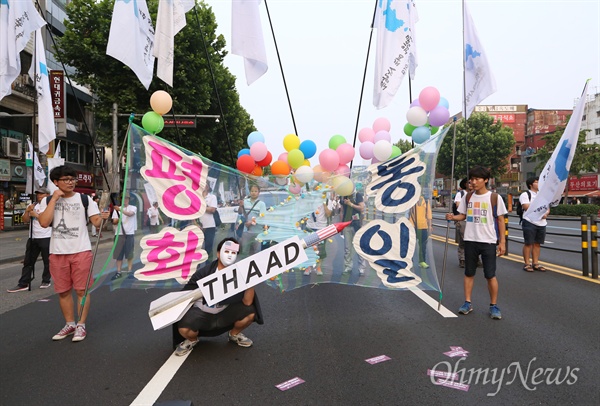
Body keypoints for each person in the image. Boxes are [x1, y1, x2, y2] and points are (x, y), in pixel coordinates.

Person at [37, 165, 110, 342]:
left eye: (72, 179)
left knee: (81, 291)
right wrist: (53, 199)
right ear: (56, 182)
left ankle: (81, 325)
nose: (71, 182)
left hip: (81, 250)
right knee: (62, 291)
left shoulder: (84, 199)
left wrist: (104, 218)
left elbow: (96, 223)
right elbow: (44, 223)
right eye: (66, 179)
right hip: (57, 252)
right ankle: (69, 323)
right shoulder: (46, 201)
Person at [175, 238, 263, 356]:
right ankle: (192, 340)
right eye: (226, 251)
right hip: (202, 313)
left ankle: (234, 334)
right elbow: (185, 294)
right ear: (218, 253)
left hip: (225, 312)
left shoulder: (240, 273)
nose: (230, 256)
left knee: (250, 313)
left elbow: (247, 302)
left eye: (234, 253)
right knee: (184, 329)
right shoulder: (203, 273)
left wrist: (251, 281)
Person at [445, 166, 507, 320]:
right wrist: (453, 217)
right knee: (468, 273)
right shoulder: (468, 197)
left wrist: (502, 242)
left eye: (477, 179)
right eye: (472, 179)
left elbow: (500, 220)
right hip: (470, 240)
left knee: (490, 275)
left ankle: (494, 305)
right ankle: (467, 302)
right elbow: (463, 215)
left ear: (486, 180)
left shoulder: (494, 198)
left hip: (488, 241)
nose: (473, 181)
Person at [7, 188, 52, 292]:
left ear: (48, 195)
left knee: (47, 261)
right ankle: (24, 282)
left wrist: (36, 215)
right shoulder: (33, 205)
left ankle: (46, 280)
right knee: (28, 261)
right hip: (33, 237)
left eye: (42, 194)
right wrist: (27, 211)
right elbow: (25, 220)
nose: (39, 196)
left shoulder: (50, 206)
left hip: (46, 236)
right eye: (38, 194)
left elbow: (49, 220)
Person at [303, 193, 339, 276]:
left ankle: (318, 267)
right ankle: (308, 267)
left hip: (321, 227)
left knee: (321, 249)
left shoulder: (327, 200)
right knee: (308, 248)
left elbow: (328, 214)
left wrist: (324, 204)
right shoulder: (310, 199)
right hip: (310, 226)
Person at [520, 176, 549, 272]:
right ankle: (527, 263)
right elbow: (526, 206)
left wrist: (546, 214)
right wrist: (540, 211)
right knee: (528, 243)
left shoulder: (543, 195)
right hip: (529, 221)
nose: (539, 184)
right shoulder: (526, 194)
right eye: (537, 182)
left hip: (541, 222)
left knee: (537, 244)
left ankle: (535, 263)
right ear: (531, 184)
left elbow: (547, 207)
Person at [342, 183, 367, 276]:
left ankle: (362, 268)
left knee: (359, 247)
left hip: (357, 225)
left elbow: (361, 208)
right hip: (346, 225)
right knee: (347, 248)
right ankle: (348, 267)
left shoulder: (357, 195)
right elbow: (342, 210)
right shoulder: (343, 196)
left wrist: (350, 204)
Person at [111, 195, 137, 280]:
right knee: (118, 255)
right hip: (119, 234)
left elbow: (130, 214)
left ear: (129, 200)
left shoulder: (133, 208)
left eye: (127, 198)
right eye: (123, 198)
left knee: (129, 254)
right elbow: (114, 221)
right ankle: (118, 271)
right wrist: (116, 220)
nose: (125, 200)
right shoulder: (117, 209)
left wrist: (120, 210)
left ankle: (130, 271)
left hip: (129, 234)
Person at [237, 184, 266, 258]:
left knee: (257, 252)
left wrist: (251, 222)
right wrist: (240, 206)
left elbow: (262, 217)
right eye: (252, 191)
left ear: (258, 193)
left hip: (257, 232)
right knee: (244, 252)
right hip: (246, 231)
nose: (253, 193)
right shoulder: (245, 202)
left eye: (255, 191)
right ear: (249, 192)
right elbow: (240, 212)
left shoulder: (261, 204)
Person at [410, 195, 432, 268]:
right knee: (411, 245)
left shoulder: (425, 200)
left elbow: (428, 214)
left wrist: (430, 226)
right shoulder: (411, 199)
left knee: (423, 245)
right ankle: (409, 261)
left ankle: (422, 261)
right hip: (412, 225)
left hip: (423, 226)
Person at [453, 178, 469, 268]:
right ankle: (462, 259)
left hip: (473, 220)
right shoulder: (461, 194)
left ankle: (475, 258)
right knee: (463, 241)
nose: (471, 184)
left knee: (474, 241)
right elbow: (458, 205)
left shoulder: (476, 193)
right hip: (463, 220)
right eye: (468, 182)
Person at [200, 185, 218, 260]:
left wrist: (199, 207)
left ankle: (209, 268)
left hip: (210, 226)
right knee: (197, 249)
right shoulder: (196, 196)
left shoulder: (212, 197)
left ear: (207, 187)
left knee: (208, 248)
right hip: (198, 227)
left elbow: (212, 210)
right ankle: (197, 269)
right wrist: (196, 223)